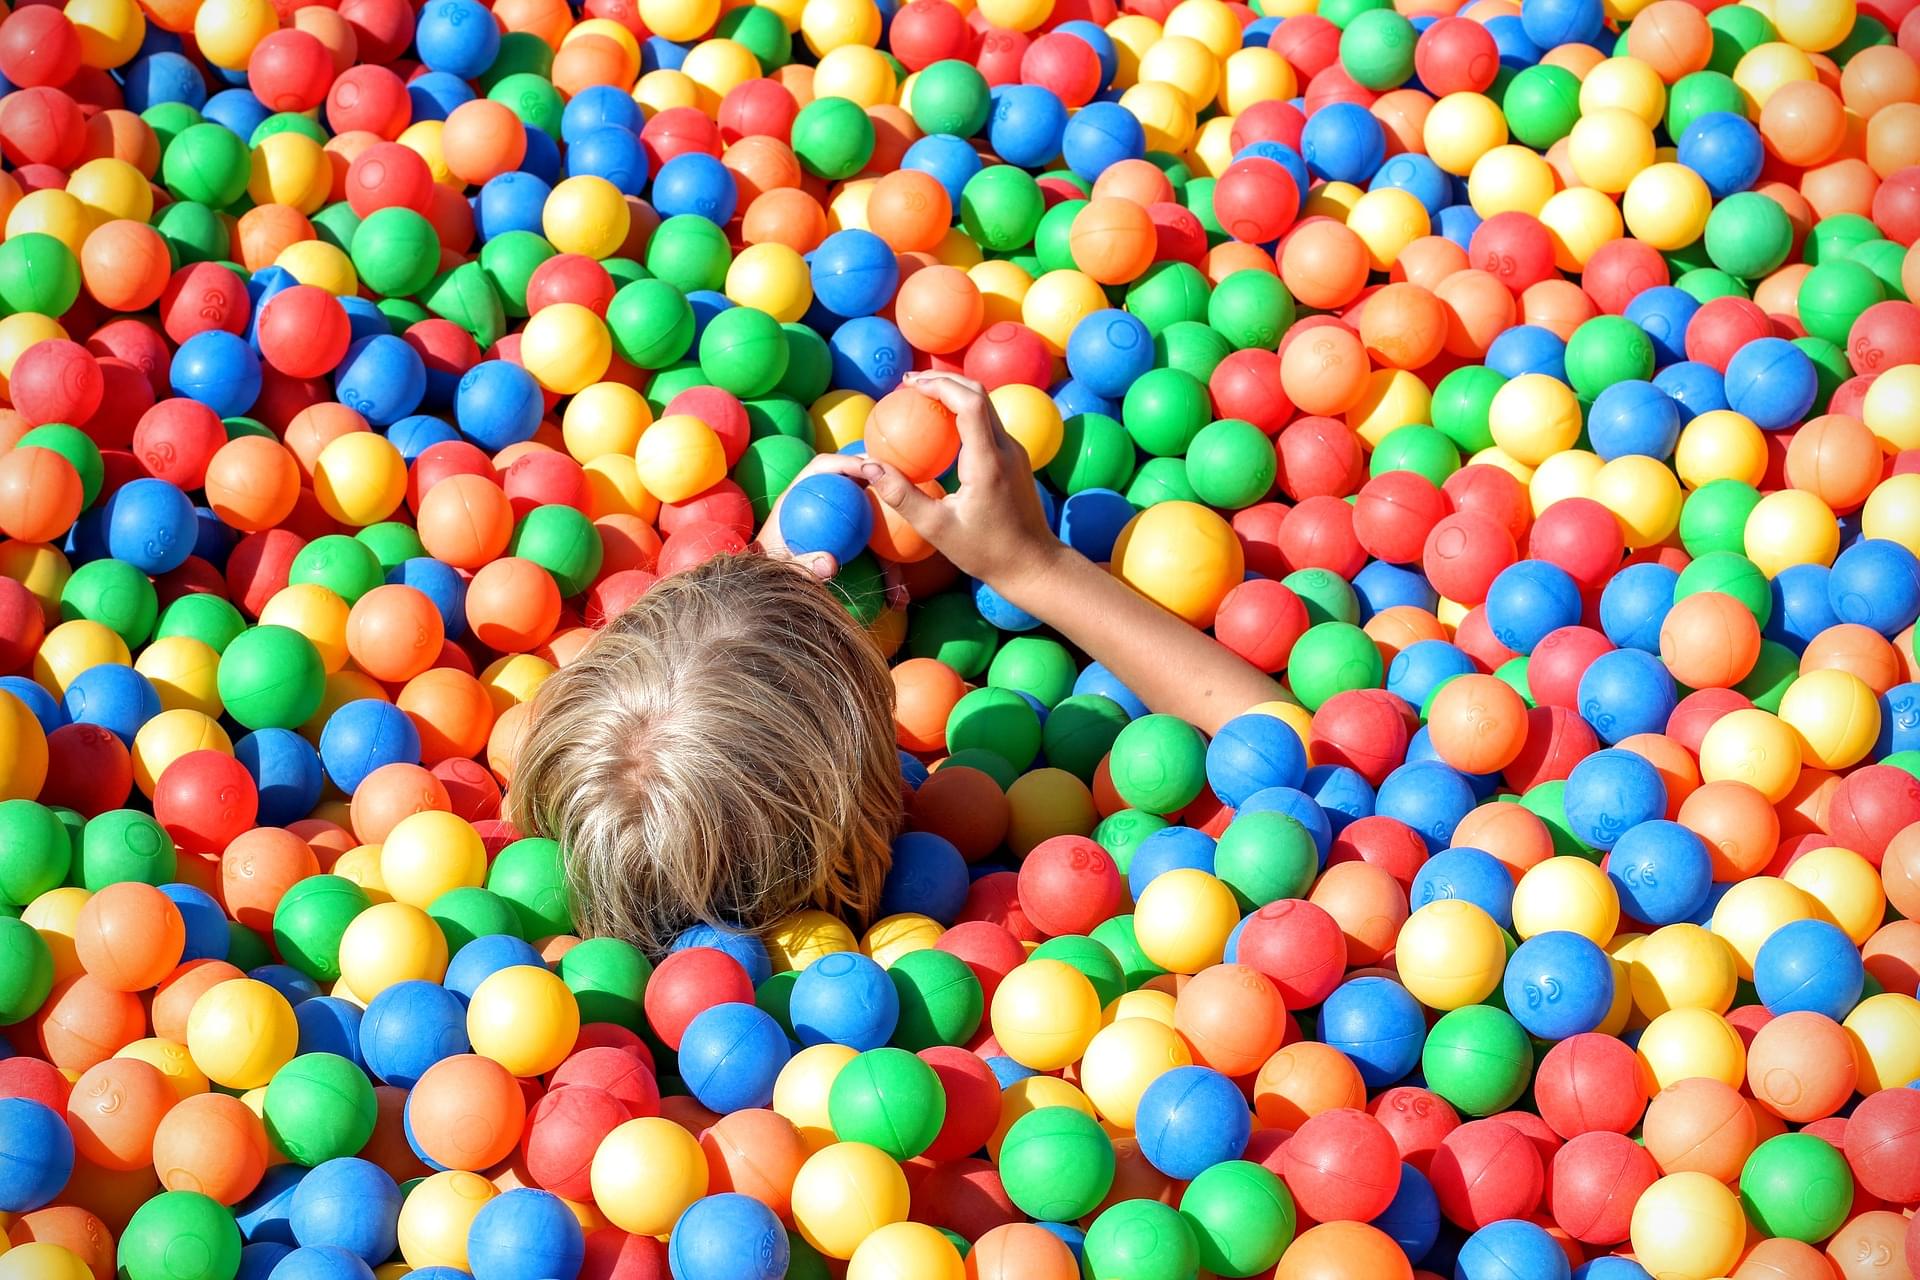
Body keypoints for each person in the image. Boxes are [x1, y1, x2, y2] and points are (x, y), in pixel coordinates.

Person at [508, 371, 1283, 951]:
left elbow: (675, 728)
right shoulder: (956, 945)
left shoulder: (582, 872)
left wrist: (758, 587)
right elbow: (1271, 747)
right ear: (859, 803)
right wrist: (1032, 566)